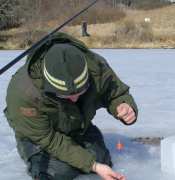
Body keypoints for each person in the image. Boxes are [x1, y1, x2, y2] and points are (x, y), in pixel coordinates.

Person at [4, 33, 138, 180]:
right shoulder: (23, 93)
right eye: (64, 95)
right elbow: (49, 139)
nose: (74, 99)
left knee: (102, 160)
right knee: (59, 172)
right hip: (41, 135)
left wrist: (123, 105)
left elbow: (115, 93)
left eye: (81, 91)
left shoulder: (96, 67)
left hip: (77, 126)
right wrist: (92, 165)